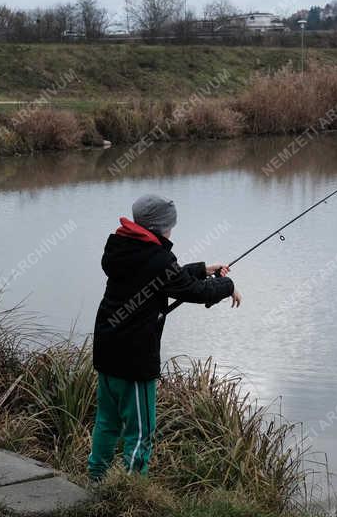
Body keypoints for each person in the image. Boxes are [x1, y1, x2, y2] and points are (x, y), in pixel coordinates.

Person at [87, 194, 240, 481]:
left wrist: (202, 269)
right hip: (133, 358)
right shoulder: (157, 259)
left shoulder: (123, 247)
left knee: (107, 422)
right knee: (141, 431)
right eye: (171, 226)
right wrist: (227, 284)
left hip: (107, 348)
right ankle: (131, 490)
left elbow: (162, 276)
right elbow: (196, 292)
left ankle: (96, 479)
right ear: (160, 227)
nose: (173, 231)